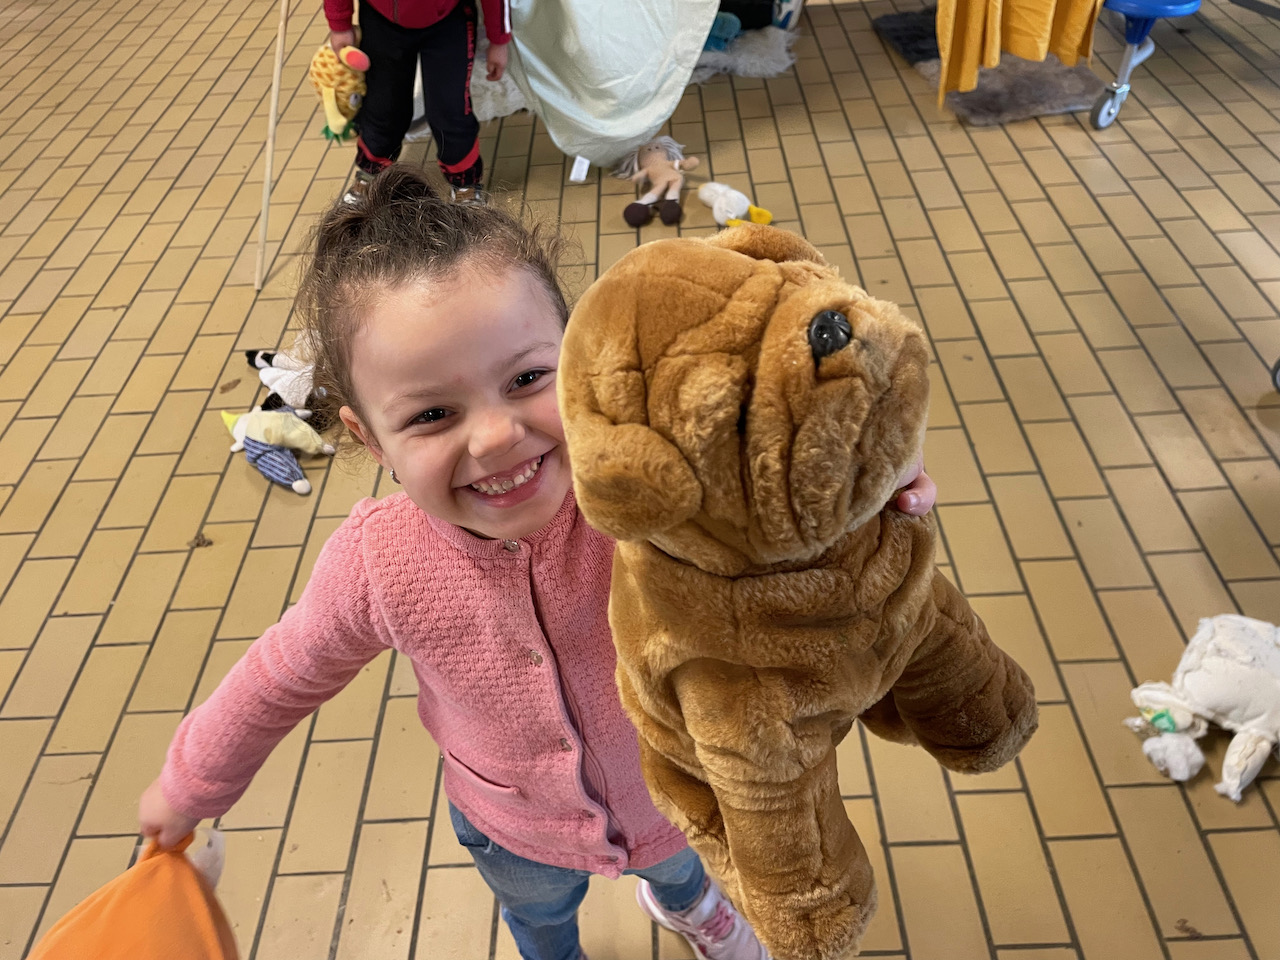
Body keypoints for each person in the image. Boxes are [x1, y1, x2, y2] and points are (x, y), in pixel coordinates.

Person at [138, 166, 937, 960]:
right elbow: (280, 675)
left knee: (683, 869)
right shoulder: (376, 564)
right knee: (541, 920)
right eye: (432, 414)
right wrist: (187, 786)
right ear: (369, 439)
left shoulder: (651, 491)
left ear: (582, 360)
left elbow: (780, 472)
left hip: (672, 789)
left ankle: (695, 909)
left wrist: (875, 484)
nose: (495, 437)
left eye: (526, 379)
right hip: (511, 825)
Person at [327, 0, 510, 204]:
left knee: (450, 109)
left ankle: (465, 182)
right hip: (381, 20)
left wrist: (499, 38)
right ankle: (372, 170)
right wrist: (339, 24)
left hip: (450, 19)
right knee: (383, 106)